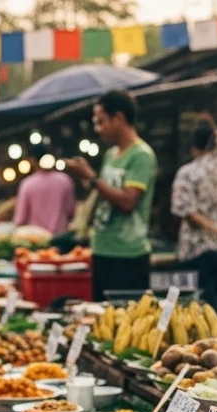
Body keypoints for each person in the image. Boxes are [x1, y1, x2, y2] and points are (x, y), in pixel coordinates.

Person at [64, 90, 157, 299]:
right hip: (101, 250)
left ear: (119, 118)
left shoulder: (141, 155)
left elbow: (128, 202)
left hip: (128, 255)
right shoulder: (111, 155)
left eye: (101, 122)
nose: (98, 129)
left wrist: (92, 178)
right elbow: (105, 193)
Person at [170, 122, 217, 317]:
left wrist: (215, 231)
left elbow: (188, 213)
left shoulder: (187, 173)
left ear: (194, 148)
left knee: (199, 312)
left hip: (197, 252)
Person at [14, 146, 76, 235]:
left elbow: (21, 219)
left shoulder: (27, 184)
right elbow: (71, 211)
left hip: (37, 238)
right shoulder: (65, 180)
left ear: (33, 161)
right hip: (61, 237)